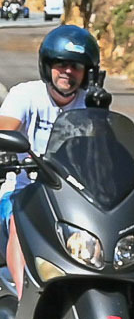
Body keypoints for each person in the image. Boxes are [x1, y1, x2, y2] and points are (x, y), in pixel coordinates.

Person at [0, 24, 98, 294]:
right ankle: (24, 296)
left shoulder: (91, 104)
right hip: (24, 190)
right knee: (21, 222)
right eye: (61, 63)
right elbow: (5, 128)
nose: (68, 71)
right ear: (47, 66)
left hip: (74, 197)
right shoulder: (26, 94)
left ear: (87, 73)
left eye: (76, 66)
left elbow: (106, 148)